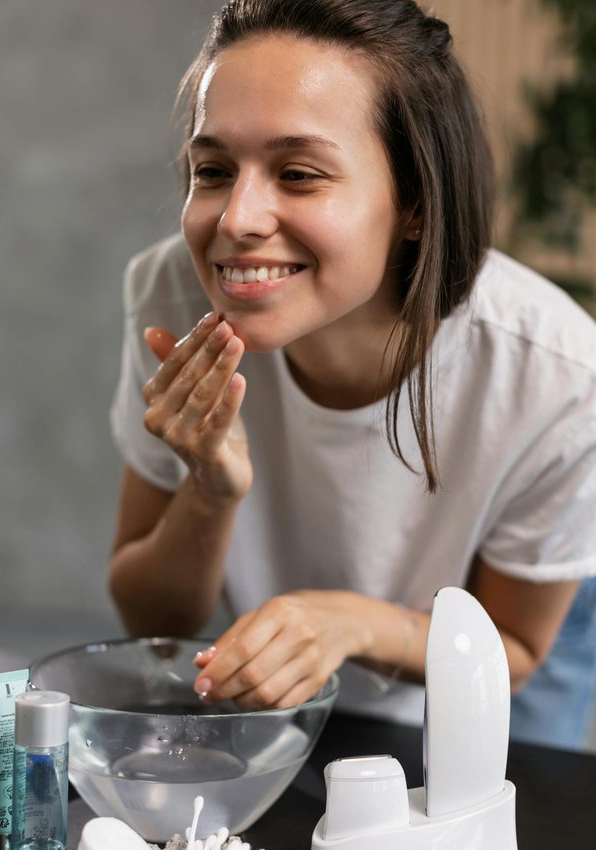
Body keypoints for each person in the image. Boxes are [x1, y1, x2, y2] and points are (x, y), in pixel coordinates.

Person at [108, 0, 596, 748]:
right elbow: (155, 624)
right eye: (214, 170)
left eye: (298, 173)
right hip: (306, 677)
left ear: (414, 203)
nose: (237, 218)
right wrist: (209, 492)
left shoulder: (555, 371)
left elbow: (517, 649)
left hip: (500, 644)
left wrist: (347, 621)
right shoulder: (172, 296)